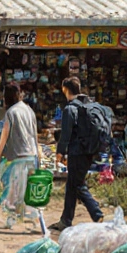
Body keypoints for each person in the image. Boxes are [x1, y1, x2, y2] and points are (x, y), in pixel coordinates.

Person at [52, 76, 105, 230]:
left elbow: (66, 134)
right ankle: (65, 220)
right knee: (72, 185)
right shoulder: (89, 105)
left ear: (66, 90)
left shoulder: (70, 109)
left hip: (77, 152)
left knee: (77, 184)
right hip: (90, 151)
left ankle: (96, 213)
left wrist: (60, 152)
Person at [0, 83, 39, 229]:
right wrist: (39, 156)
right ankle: (33, 219)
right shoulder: (29, 110)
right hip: (31, 155)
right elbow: (34, 135)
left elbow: (4, 138)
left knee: (12, 190)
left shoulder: (11, 112)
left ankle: (12, 219)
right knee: (28, 190)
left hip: (17, 156)